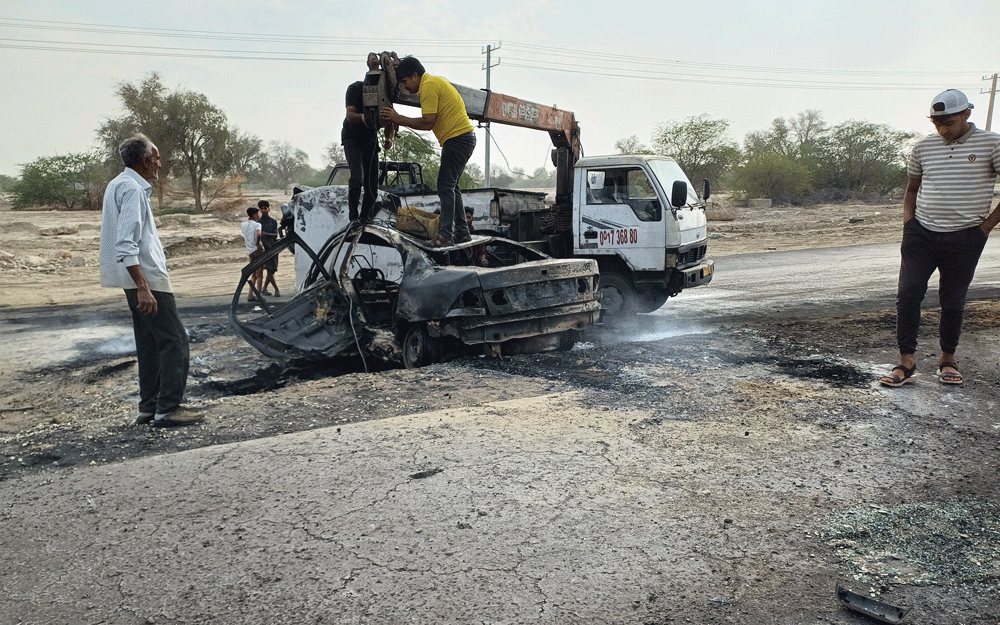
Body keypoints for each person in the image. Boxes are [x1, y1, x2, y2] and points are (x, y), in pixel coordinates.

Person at [880, 89, 1000, 387]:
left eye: (949, 122)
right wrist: (909, 222)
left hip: (966, 236)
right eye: (937, 123)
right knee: (908, 294)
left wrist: (985, 228)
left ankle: (947, 360)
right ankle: (906, 363)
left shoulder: (992, 143)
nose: (943, 129)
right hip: (921, 233)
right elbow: (911, 189)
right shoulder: (923, 148)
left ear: (966, 114)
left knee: (953, 299)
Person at [99, 134, 204, 427]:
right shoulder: (132, 188)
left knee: (149, 344)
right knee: (175, 340)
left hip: (132, 279)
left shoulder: (119, 185)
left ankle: (149, 407)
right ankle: (169, 408)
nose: (160, 163)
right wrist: (145, 288)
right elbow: (125, 243)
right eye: (156, 158)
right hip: (147, 280)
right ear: (144, 160)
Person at [380, 55, 476, 247]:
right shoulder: (434, 82)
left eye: (405, 81)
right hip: (461, 138)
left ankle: (446, 235)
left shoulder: (428, 86)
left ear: (416, 75)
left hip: (457, 139)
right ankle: (462, 233)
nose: (405, 87)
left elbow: (427, 122)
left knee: (445, 186)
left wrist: (398, 119)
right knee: (451, 186)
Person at [344, 53, 395, 222]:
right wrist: (363, 117)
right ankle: (353, 218)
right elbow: (350, 114)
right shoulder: (355, 88)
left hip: (371, 140)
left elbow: (390, 120)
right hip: (353, 138)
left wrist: (389, 139)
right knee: (358, 177)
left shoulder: (386, 92)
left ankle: (365, 218)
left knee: (373, 185)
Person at [258, 200, 280, 297]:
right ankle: (276, 290)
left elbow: (276, 235)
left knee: (272, 269)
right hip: (264, 249)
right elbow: (260, 236)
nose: (263, 210)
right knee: (269, 269)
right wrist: (269, 235)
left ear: (269, 209)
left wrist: (265, 234)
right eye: (261, 209)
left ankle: (264, 289)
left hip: (274, 247)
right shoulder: (258, 222)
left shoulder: (273, 221)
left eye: (265, 208)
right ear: (259, 210)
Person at [242, 206, 264, 301]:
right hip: (257, 250)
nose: (259, 215)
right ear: (254, 215)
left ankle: (250, 295)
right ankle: (259, 295)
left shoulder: (243, 224)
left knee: (254, 274)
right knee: (260, 274)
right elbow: (258, 234)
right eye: (258, 213)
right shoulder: (257, 225)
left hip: (250, 250)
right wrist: (258, 244)